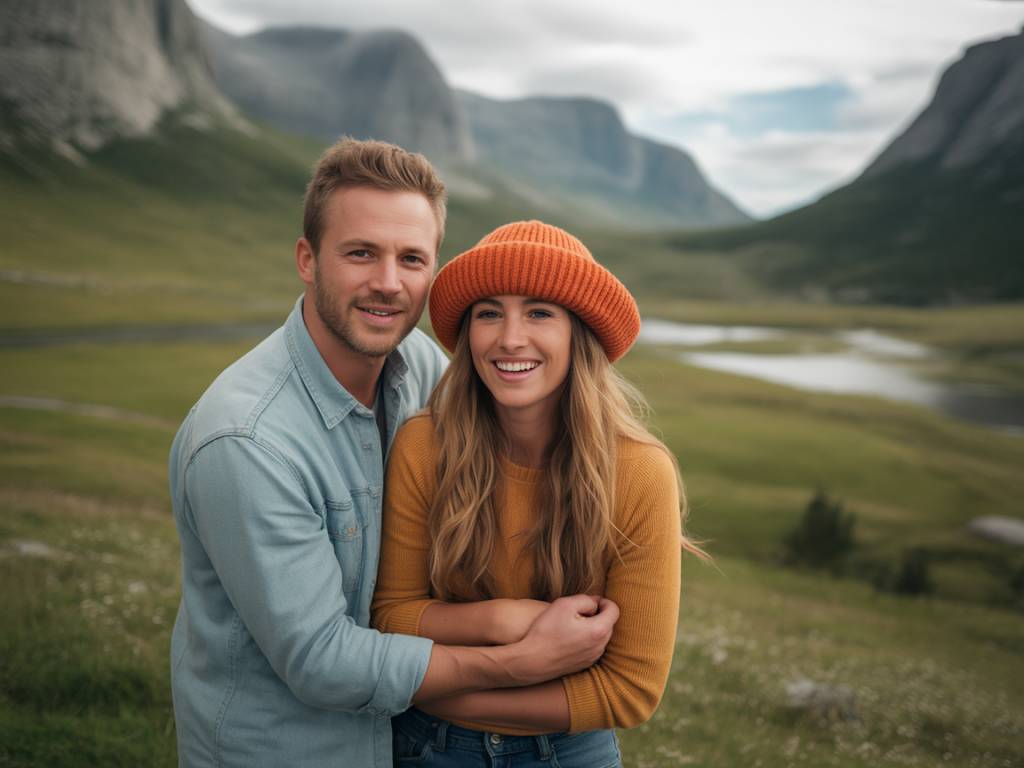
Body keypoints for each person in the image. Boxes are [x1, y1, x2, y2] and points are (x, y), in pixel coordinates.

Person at [168, 141, 619, 768]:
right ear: (307, 259)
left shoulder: (430, 373)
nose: (388, 283)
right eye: (360, 253)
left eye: (411, 258)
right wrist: (513, 659)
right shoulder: (246, 439)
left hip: (412, 746)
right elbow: (320, 660)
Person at [373, 220, 705, 767]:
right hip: (426, 747)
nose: (509, 338)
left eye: (539, 312)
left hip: (571, 751)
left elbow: (631, 691)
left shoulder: (641, 473)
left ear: (580, 333)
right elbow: (391, 615)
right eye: (489, 313)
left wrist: (439, 688)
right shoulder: (424, 446)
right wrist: (506, 623)